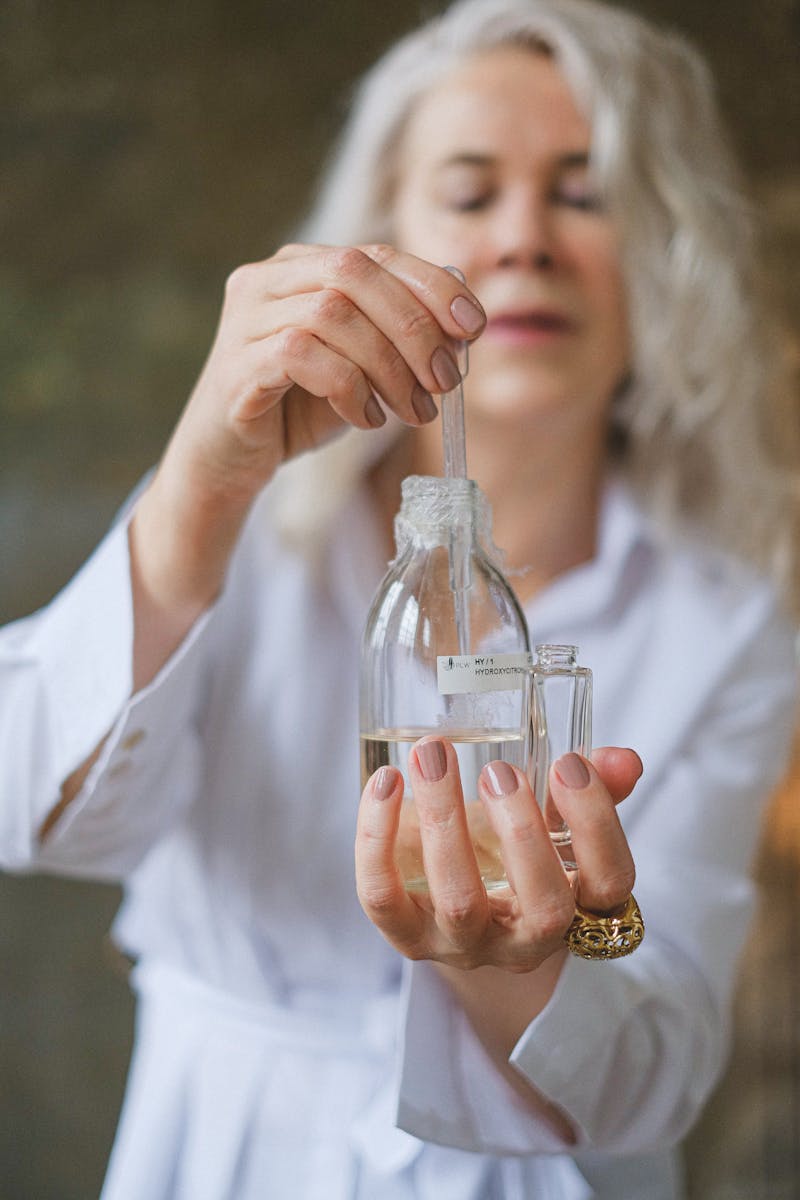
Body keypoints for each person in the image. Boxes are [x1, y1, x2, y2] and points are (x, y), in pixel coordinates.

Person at [0, 0, 797, 1196]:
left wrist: (524, 966)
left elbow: (658, 1067)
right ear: (380, 240)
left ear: (662, 249)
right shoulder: (242, 519)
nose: (523, 239)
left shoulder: (730, 615)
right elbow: (33, 816)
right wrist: (200, 483)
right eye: (469, 195)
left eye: (584, 192)